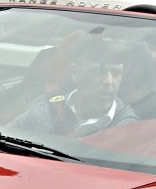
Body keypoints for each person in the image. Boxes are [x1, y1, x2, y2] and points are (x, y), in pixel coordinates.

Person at [10, 36, 138, 137]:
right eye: (98, 71)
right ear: (75, 72)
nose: (109, 81)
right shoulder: (44, 111)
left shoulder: (129, 131)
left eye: (116, 73)